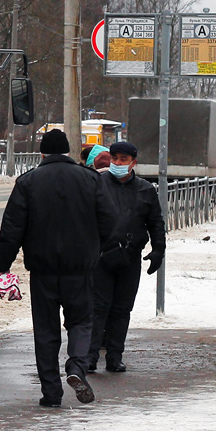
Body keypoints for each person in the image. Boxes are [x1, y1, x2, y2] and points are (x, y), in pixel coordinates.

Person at [0, 129, 116, 407]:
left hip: (43, 271)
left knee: (46, 331)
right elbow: (109, 221)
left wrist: (3, 263)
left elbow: (12, 228)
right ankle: (76, 368)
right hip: (80, 268)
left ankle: (51, 393)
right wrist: (94, 249)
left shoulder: (28, 182)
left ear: (41, 154)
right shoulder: (90, 180)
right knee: (82, 322)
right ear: (69, 151)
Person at [87, 141, 166, 373]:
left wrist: (158, 249)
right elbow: (84, 218)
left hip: (130, 257)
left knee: (122, 309)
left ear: (133, 163)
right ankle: (90, 356)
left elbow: (155, 222)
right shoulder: (97, 184)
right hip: (101, 257)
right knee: (98, 308)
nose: (118, 163)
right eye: (114, 159)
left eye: (123, 159)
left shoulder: (145, 190)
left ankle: (114, 356)